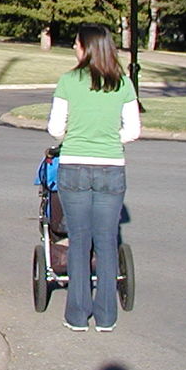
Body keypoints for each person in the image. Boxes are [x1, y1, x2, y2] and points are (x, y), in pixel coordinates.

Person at [47, 23, 140, 332]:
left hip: (74, 166)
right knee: (106, 241)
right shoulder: (123, 83)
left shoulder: (68, 82)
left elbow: (56, 129)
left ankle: (77, 314)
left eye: (76, 43)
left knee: (79, 241)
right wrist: (109, 137)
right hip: (111, 168)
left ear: (86, 47)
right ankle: (106, 316)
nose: (73, 47)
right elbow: (133, 131)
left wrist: (79, 133)